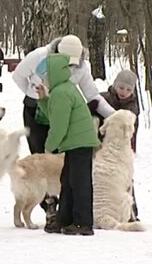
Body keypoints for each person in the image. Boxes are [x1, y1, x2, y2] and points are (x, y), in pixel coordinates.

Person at [12, 34, 116, 231]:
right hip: (38, 108)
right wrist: (34, 94)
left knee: (72, 176)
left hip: (68, 123)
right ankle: (55, 212)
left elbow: (89, 98)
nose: (70, 67)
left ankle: (77, 219)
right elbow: (18, 76)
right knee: (55, 171)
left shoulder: (69, 83)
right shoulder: (40, 57)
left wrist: (113, 115)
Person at [35, 53, 100, 235]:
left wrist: (49, 147)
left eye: (43, 77)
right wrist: (43, 100)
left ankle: (83, 223)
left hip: (80, 143)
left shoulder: (61, 93)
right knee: (68, 181)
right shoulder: (62, 91)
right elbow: (55, 114)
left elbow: (58, 126)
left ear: (51, 75)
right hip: (75, 143)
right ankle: (65, 219)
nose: (43, 81)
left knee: (79, 183)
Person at [88, 69, 141, 222]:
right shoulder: (104, 98)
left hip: (120, 148)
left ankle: (131, 211)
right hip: (99, 144)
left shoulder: (132, 106)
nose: (124, 92)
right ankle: (96, 209)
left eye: (128, 89)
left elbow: (131, 130)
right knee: (98, 177)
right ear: (115, 85)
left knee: (125, 178)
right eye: (121, 88)